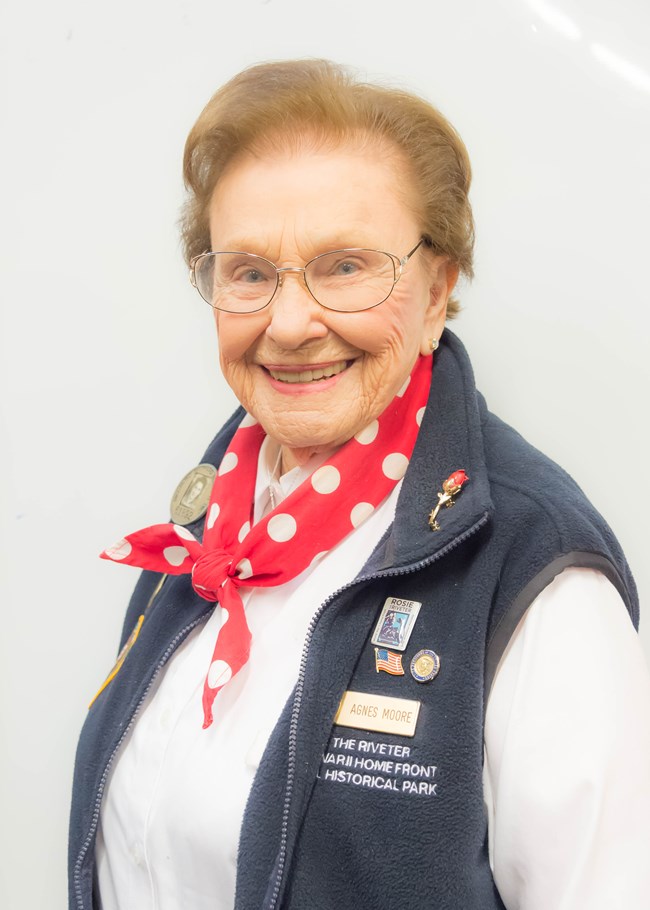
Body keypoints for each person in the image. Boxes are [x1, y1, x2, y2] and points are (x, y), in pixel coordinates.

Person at [69, 59, 650, 910]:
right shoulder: (210, 530)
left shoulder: (537, 575)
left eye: (346, 266)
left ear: (437, 289)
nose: (292, 323)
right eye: (249, 271)